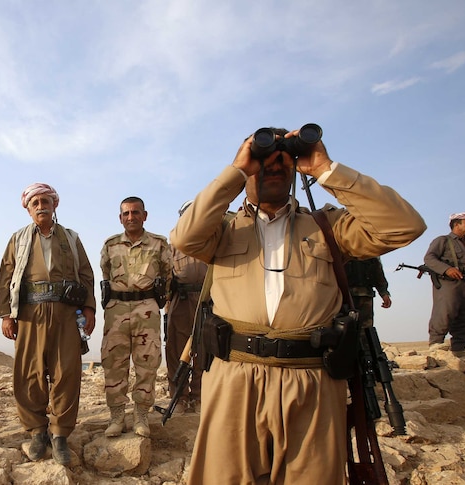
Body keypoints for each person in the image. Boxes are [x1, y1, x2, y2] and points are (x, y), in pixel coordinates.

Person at [171, 128, 425, 484]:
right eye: (263, 162)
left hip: (312, 380)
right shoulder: (224, 231)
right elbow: (184, 237)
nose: (273, 168)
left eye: (282, 161)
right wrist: (237, 172)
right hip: (235, 377)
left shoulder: (328, 227)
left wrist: (325, 169)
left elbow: (404, 226)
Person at [0, 183, 97, 465]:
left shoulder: (71, 237)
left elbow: (85, 274)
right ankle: (37, 432)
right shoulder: (18, 239)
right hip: (29, 313)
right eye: (35, 202)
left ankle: (60, 434)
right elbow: (5, 277)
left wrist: (89, 308)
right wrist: (7, 314)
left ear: (55, 204)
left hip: (66, 313)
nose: (41, 205)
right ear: (28, 209)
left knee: (66, 373)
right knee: (29, 374)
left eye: (45, 200)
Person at [101, 196, 172, 438]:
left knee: (147, 361)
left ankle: (141, 414)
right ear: (120, 218)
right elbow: (105, 274)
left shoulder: (159, 244)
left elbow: (168, 275)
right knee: (113, 362)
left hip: (147, 306)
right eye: (126, 214)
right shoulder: (110, 245)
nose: (130, 217)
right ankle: (117, 416)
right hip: (117, 307)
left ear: (145, 215)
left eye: (135, 212)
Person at [424, 212, 465, 358]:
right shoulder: (443, 241)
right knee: (445, 312)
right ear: (457, 224)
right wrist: (447, 269)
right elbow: (429, 258)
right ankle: (436, 345)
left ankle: (459, 349)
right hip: (450, 284)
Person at [164, 200, 208, 415]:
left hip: (207, 300)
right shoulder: (174, 244)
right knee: (177, 350)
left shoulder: (212, 239)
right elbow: (165, 274)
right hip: (180, 300)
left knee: (204, 350)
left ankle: (199, 397)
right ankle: (179, 398)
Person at [345, 257, 392, 328]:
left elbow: (378, 272)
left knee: (366, 329)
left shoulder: (369, 251)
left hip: (365, 296)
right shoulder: (342, 249)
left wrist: (384, 293)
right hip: (344, 296)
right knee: (343, 327)